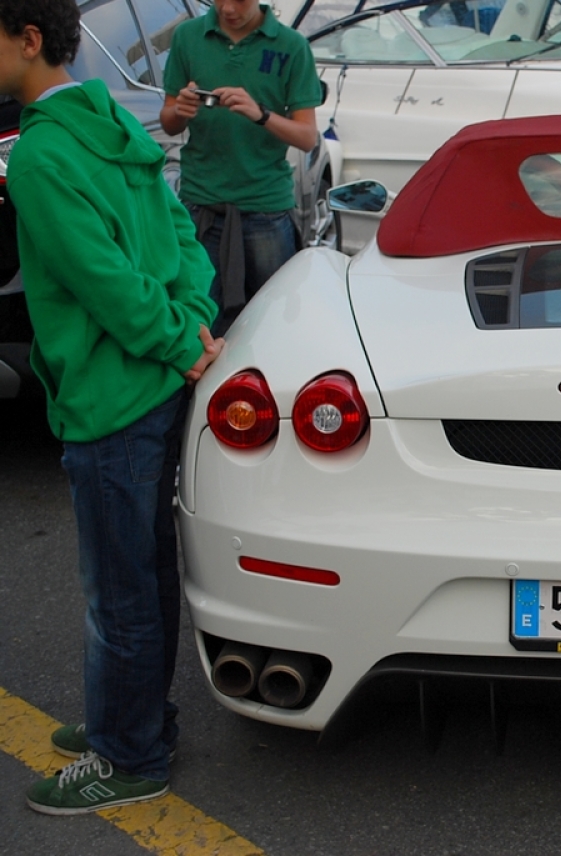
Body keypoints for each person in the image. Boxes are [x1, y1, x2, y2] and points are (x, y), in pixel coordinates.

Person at [0, 0, 223, 814]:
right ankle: (135, 719)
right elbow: (181, 236)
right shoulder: (114, 122)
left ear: (28, 42)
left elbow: (104, 286)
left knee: (117, 591)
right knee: (147, 571)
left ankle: (129, 754)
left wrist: (172, 337)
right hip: (158, 390)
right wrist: (194, 328)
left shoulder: (40, 157)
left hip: (109, 395)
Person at [161, 0, 324, 336]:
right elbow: (168, 122)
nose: (227, 8)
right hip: (200, 205)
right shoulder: (188, 36)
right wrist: (182, 108)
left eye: (239, 0)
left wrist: (260, 114)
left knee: (272, 325)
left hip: (265, 210)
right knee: (199, 324)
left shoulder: (291, 46)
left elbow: (307, 137)